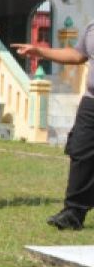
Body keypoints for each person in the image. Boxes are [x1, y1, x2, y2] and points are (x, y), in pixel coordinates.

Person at [13, 32, 94, 229]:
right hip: (91, 103)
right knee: (81, 153)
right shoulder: (92, 28)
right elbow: (77, 55)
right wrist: (39, 51)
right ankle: (73, 213)